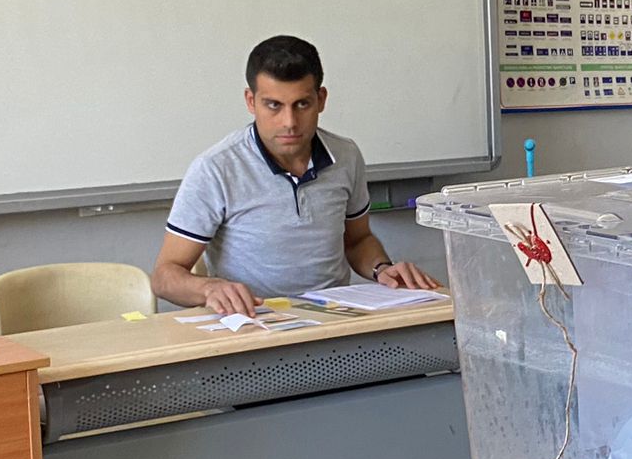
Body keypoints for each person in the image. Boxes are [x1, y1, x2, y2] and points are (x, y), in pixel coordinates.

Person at [152, 35, 440, 315]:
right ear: (251, 101)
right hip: (256, 322)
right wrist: (209, 288)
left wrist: (382, 268)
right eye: (274, 105)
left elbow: (357, 240)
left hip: (334, 319)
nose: (289, 122)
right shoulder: (216, 168)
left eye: (302, 104)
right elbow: (165, 277)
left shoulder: (346, 155)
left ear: (321, 99)